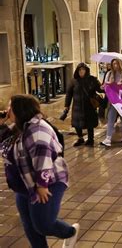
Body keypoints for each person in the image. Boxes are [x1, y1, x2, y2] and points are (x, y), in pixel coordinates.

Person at [0, 95, 80, 248]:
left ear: (20, 109)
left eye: (10, 107)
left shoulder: (37, 130)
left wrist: (42, 185)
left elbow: (42, 158)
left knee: (42, 224)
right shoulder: (18, 126)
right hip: (25, 183)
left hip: (49, 181)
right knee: (29, 226)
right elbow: (3, 144)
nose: (7, 110)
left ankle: (70, 232)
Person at [64, 63, 102, 147]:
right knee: (77, 123)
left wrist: (105, 88)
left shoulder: (92, 80)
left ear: (86, 70)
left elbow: (100, 88)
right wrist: (67, 105)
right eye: (80, 70)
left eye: (83, 70)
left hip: (89, 106)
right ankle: (80, 138)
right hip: (77, 106)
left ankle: (90, 139)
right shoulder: (73, 81)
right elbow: (69, 94)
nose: (81, 72)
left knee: (90, 123)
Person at [100, 58, 122, 147]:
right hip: (112, 100)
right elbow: (104, 86)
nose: (115, 65)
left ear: (120, 64)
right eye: (113, 64)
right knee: (110, 118)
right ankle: (108, 138)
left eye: (117, 64)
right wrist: (106, 85)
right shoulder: (109, 74)